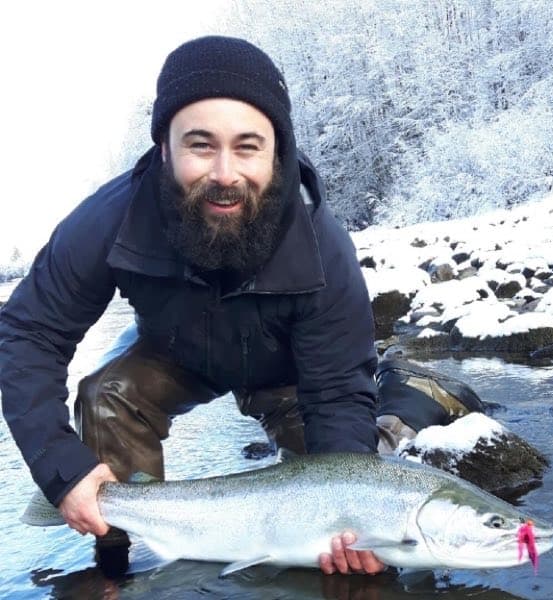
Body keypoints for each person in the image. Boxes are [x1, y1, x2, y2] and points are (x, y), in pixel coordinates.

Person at [0, 36, 387, 577]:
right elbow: (26, 334)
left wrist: (351, 513)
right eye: (200, 145)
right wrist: (60, 471)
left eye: (248, 146)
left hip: (290, 374)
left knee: (345, 518)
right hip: (175, 351)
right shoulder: (108, 221)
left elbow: (339, 393)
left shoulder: (325, 249)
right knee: (107, 396)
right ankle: (118, 563)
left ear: (279, 151)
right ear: (165, 149)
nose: (225, 173)